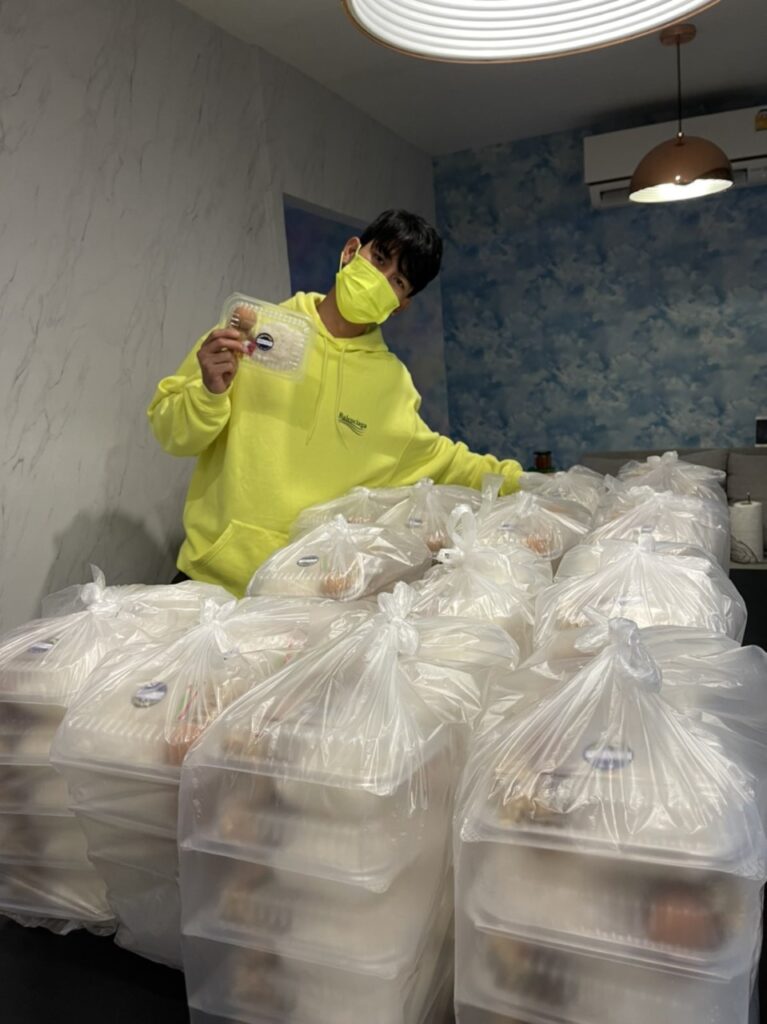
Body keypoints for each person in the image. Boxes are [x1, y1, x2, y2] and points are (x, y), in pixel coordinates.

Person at [148, 209, 523, 596]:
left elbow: (448, 462)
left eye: (397, 281)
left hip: (304, 597)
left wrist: (527, 482)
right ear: (350, 252)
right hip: (210, 585)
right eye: (379, 259)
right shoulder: (252, 330)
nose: (379, 279)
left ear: (400, 305)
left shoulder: (392, 386)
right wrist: (209, 393)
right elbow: (171, 435)